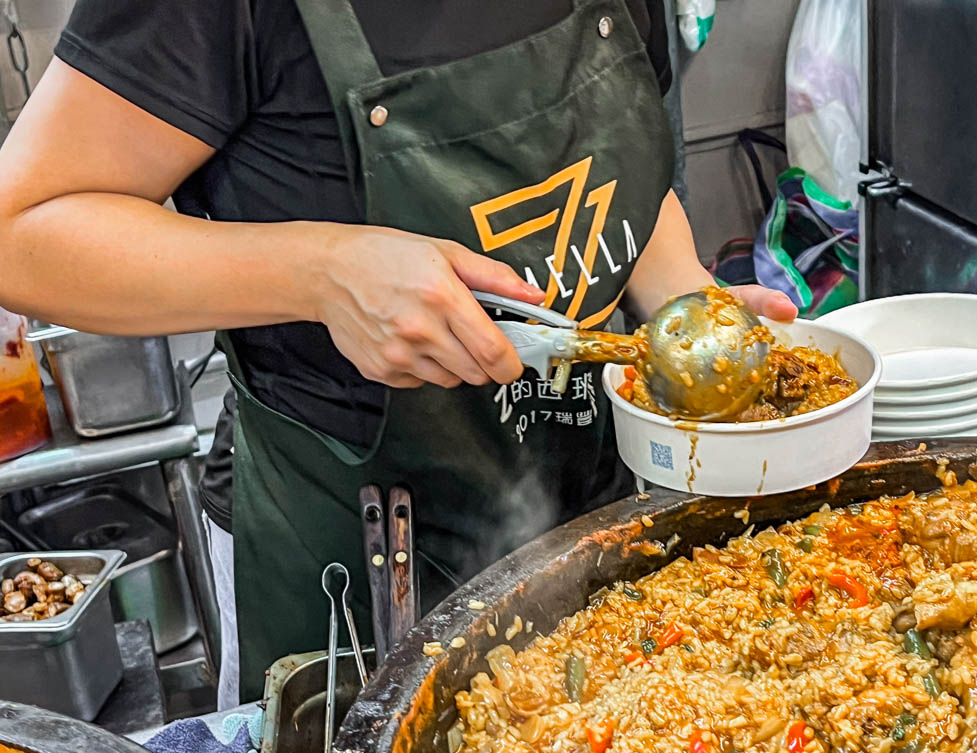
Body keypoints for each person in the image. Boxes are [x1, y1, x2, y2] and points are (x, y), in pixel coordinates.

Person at [0, 0, 795, 705]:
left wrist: (686, 302)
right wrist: (321, 273)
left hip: (589, 523)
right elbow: (22, 231)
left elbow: (614, 174)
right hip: (363, 569)